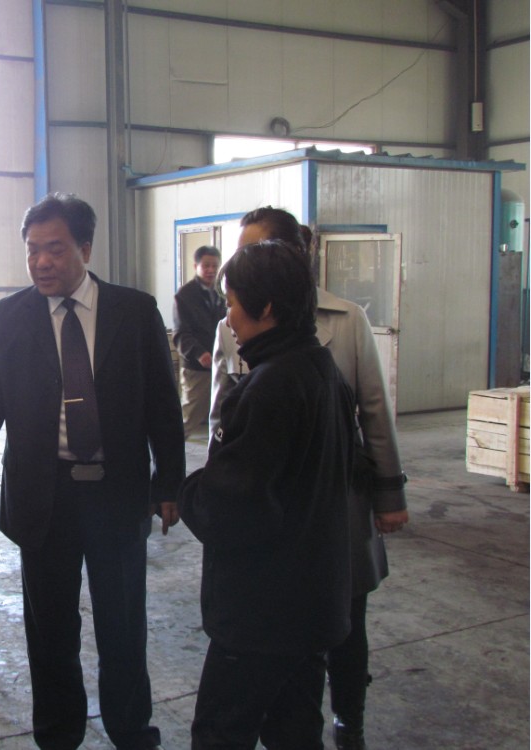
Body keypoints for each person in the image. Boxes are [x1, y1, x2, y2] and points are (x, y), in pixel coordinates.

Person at [0, 192, 185, 750]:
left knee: (122, 626)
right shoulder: (8, 318)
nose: (41, 262)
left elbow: (162, 403)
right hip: (44, 498)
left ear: (85, 248)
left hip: (116, 493)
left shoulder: (135, 312)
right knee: (50, 633)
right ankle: (58, 737)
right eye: (32, 250)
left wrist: (170, 483)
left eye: (54, 249)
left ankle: (132, 732)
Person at [209, 207, 409, 750]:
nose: (243, 264)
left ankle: (350, 718)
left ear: (293, 255)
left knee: (342, 619)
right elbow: (221, 414)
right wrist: (222, 478)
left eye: (258, 251)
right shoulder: (235, 323)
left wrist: (388, 494)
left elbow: (373, 409)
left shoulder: (343, 320)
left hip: (333, 498)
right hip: (269, 504)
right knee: (293, 648)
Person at [180, 238, 357, 749]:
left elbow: (230, 509)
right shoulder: (323, 372)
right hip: (312, 605)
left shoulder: (269, 389)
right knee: (295, 732)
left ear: (267, 308)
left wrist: (185, 490)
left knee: (220, 733)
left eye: (234, 304)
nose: (228, 319)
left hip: (262, 616)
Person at [173, 245, 227, 438]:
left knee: (224, 415)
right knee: (189, 418)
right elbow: (181, 333)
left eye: (215, 266)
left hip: (223, 363)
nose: (211, 270)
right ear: (196, 266)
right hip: (197, 367)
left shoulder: (223, 292)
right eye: (206, 266)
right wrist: (199, 353)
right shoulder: (184, 295)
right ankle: (172, 450)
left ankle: (219, 452)